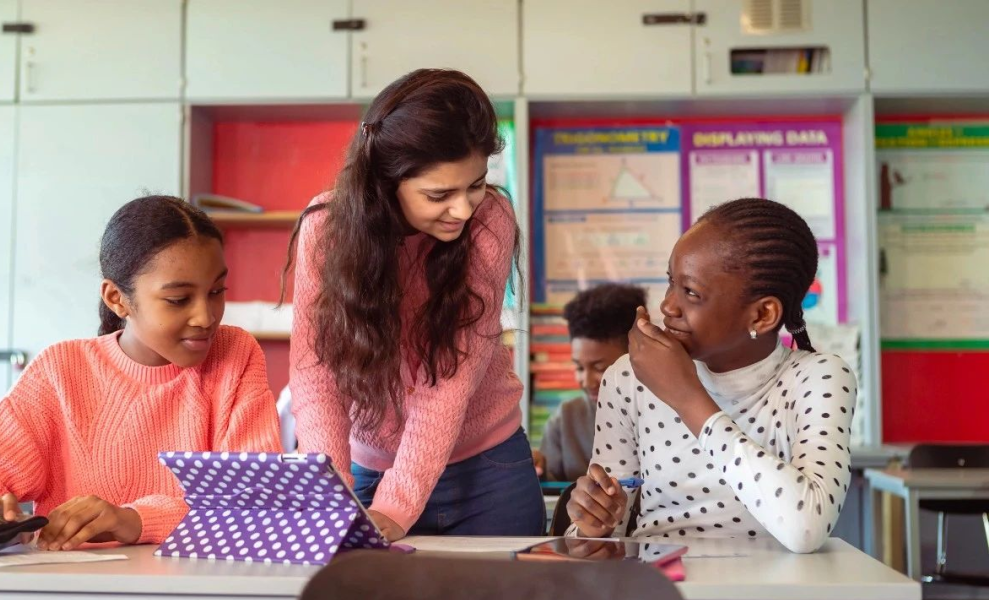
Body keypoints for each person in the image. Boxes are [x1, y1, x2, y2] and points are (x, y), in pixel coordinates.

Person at [0, 196, 283, 550]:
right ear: (116, 298)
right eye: (178, 300)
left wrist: (134, 520)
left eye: (217, 291)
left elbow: (258, 504)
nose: (206, 317)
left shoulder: (235, 354)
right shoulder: (61, 370)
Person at [285, 69, 542, 540]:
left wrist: (398, 506)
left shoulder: (489, 222)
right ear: (385, 182)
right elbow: (315, 372)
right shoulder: (326, 228)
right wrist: (332, 493)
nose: (463, 210)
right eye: (439, 195)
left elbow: (449, 378)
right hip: (370, 469)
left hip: (489, 473)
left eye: (476, 184)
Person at [566, 198, 857, 554]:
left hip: (772, 591)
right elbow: (605, 531)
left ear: (763, 315)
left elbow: (806, 528)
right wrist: (591, 525)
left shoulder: (818, 377)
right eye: (671, 282)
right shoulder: (628, 378)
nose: (668, 306)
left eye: (690, 292)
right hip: (661, 587)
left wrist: (686, 397)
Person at [533, 283, 647, 482]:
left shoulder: (663, 413)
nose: (586, 381)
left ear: (636, 354)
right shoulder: (566, 419)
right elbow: (551, 495)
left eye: (600, 368)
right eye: (579, 367)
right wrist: (537, 468)